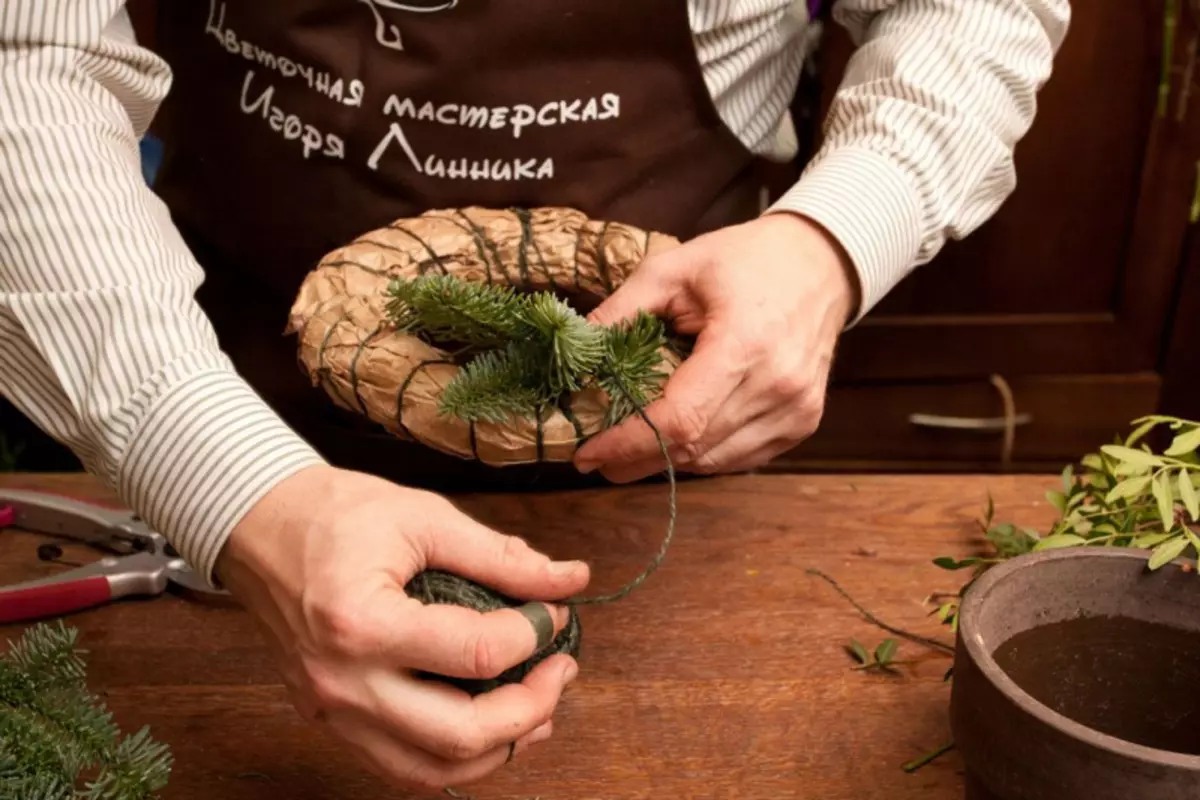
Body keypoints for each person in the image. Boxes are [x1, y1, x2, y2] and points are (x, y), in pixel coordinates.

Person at [0, 0, 1069, 791]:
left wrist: (836, 235)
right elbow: (24, 54)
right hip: (210, 395)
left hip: (671, 444)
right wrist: (222, 479)